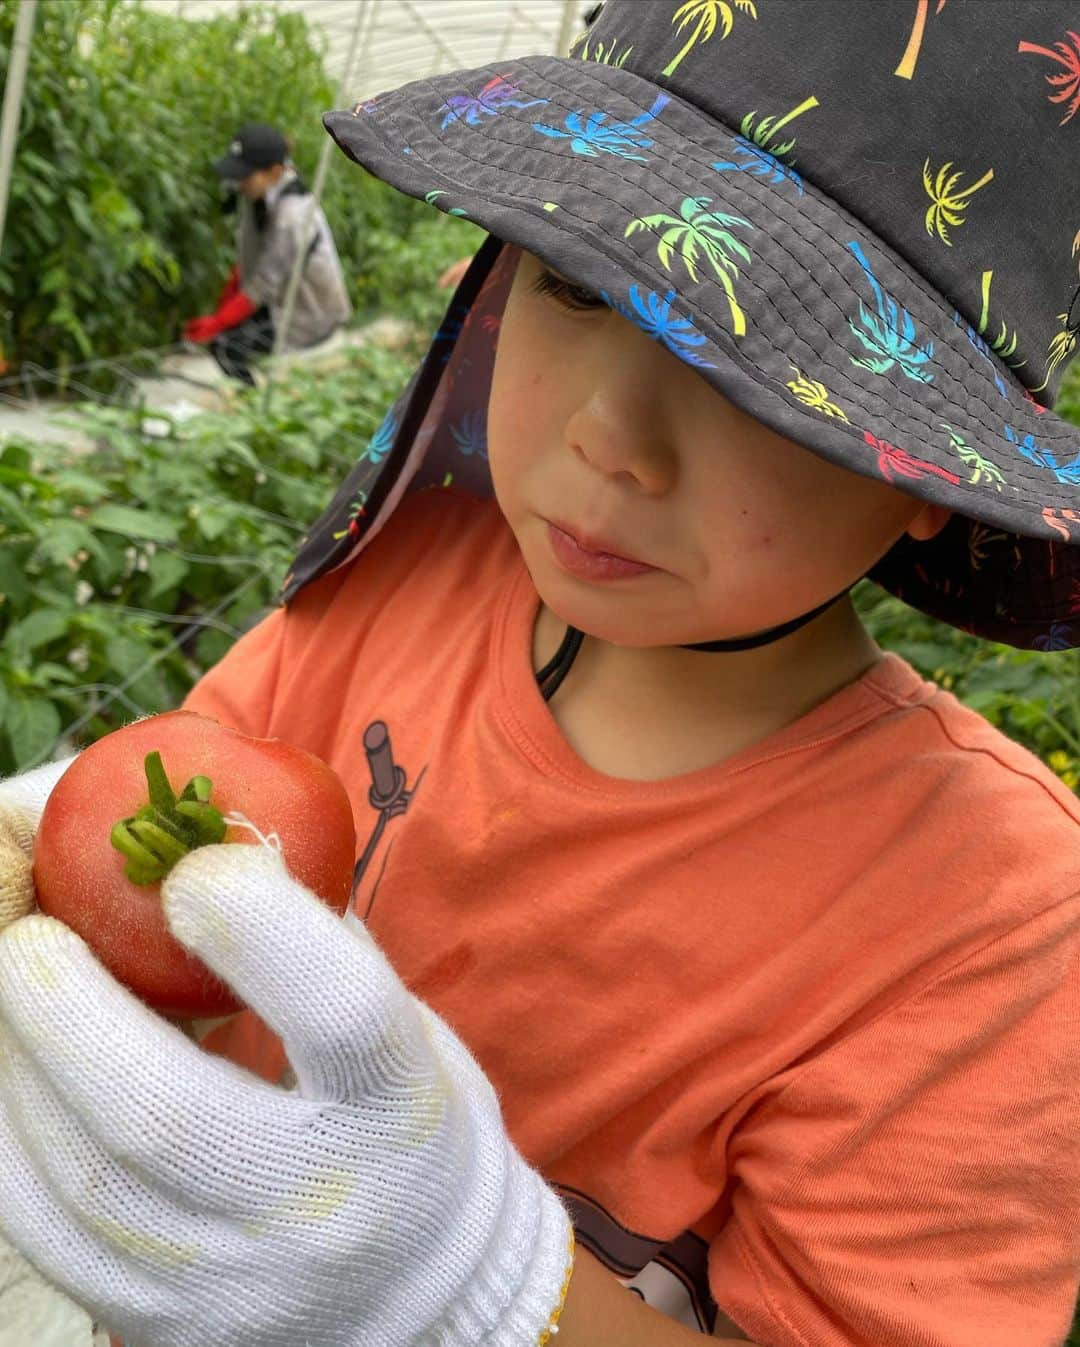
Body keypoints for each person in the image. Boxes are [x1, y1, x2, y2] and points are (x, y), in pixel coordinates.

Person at [0, 3, 1079, 1346]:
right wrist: (44, 847)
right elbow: (159, 801)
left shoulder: (993, 924)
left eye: (768, 377)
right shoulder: (401, 587)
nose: (607, 435)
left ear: (936, 482)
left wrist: (482, 1284)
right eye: (575, 283)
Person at [182, 123, 352, 385]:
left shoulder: (293, 216)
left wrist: (217, 323)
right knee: (227, 336)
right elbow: (248, 261)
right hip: (279, 300)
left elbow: (263, 285)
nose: (239, 183)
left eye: (245, 176)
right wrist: (222, 309)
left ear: (274, 172)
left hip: (309, 314)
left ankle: (252, 406)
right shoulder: (259, 195)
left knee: (227, 347)